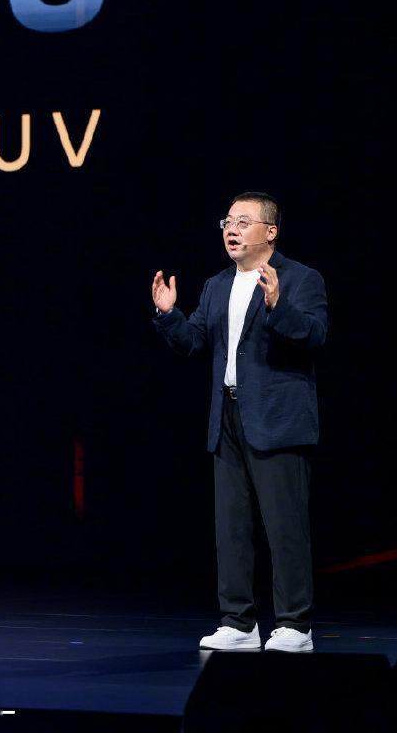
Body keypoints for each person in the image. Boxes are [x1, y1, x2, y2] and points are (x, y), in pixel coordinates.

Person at [151, 192, 327, 653]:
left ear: (270, 232)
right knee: (231, 525)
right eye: (228, 222)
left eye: (244, 222)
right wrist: (169, 316)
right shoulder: (217, 285)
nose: (232, 230)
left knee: (284, 526)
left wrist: (277, 305)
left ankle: (295, 624)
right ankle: (238, 621)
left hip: (277, 419)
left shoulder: (301, 278)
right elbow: (194, 342)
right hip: (227, 416)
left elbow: (314, 335)